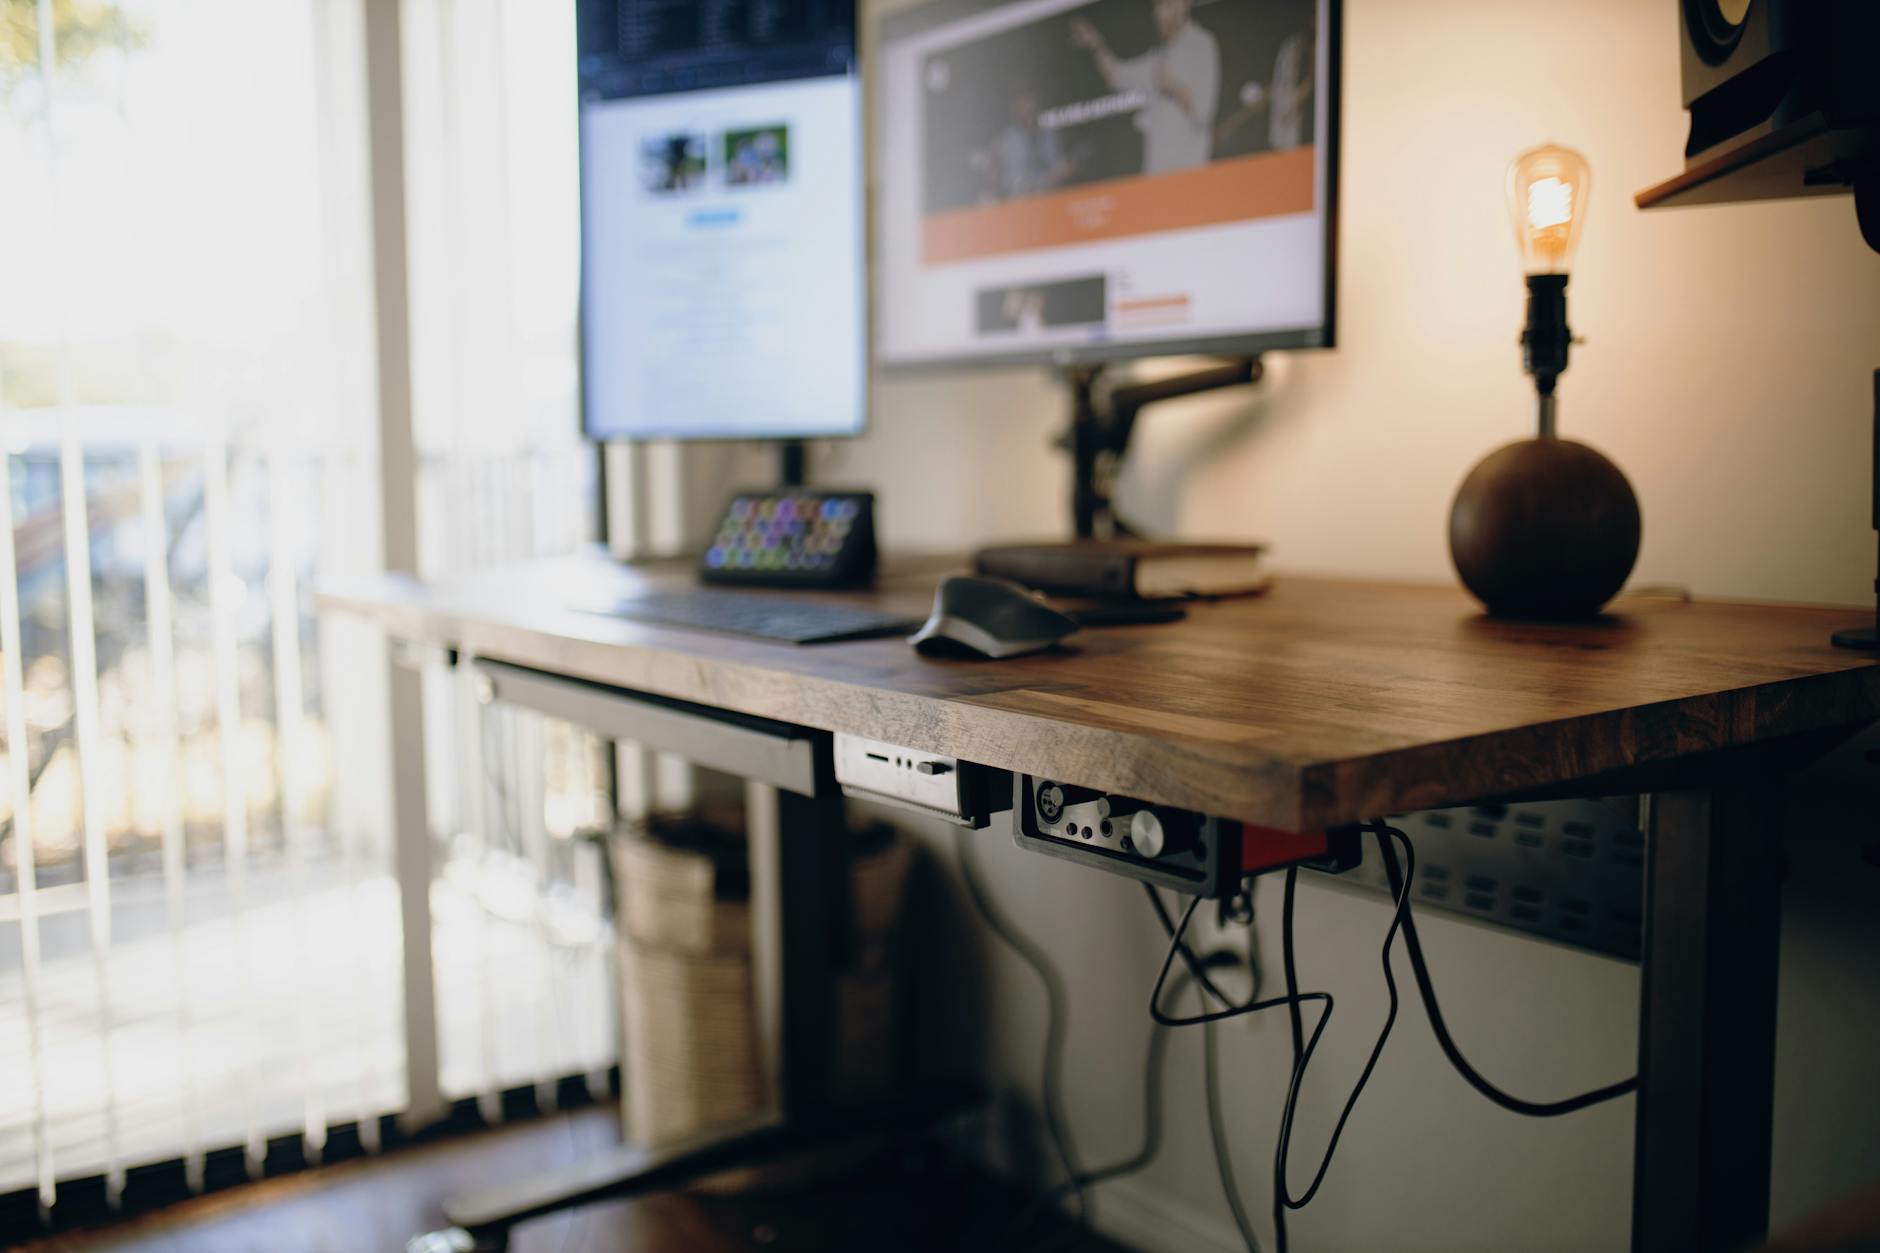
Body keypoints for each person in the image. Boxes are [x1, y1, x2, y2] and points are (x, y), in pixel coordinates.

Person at [1070, 0, 1220, 175]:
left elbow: (1203, 113)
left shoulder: (1202, 44)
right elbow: (1116, 76)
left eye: (1162, 7)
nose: (1156, 16)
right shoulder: (1159, 57)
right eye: (1155, 8)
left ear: (1182, 5)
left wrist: (1172, 87)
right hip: (1154, 176)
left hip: (1186, 176)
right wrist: (1096, 43)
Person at [986, 89, 1073, 200]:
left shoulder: (1049, 134)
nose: (1029, 113)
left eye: (1032, 108)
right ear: (1016, 112)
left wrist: (1064, 168)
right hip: (1018, 197)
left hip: (1048, 193)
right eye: (1024, 109)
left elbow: (1057, 164)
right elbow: (1015, 179)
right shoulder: (1008, 139)